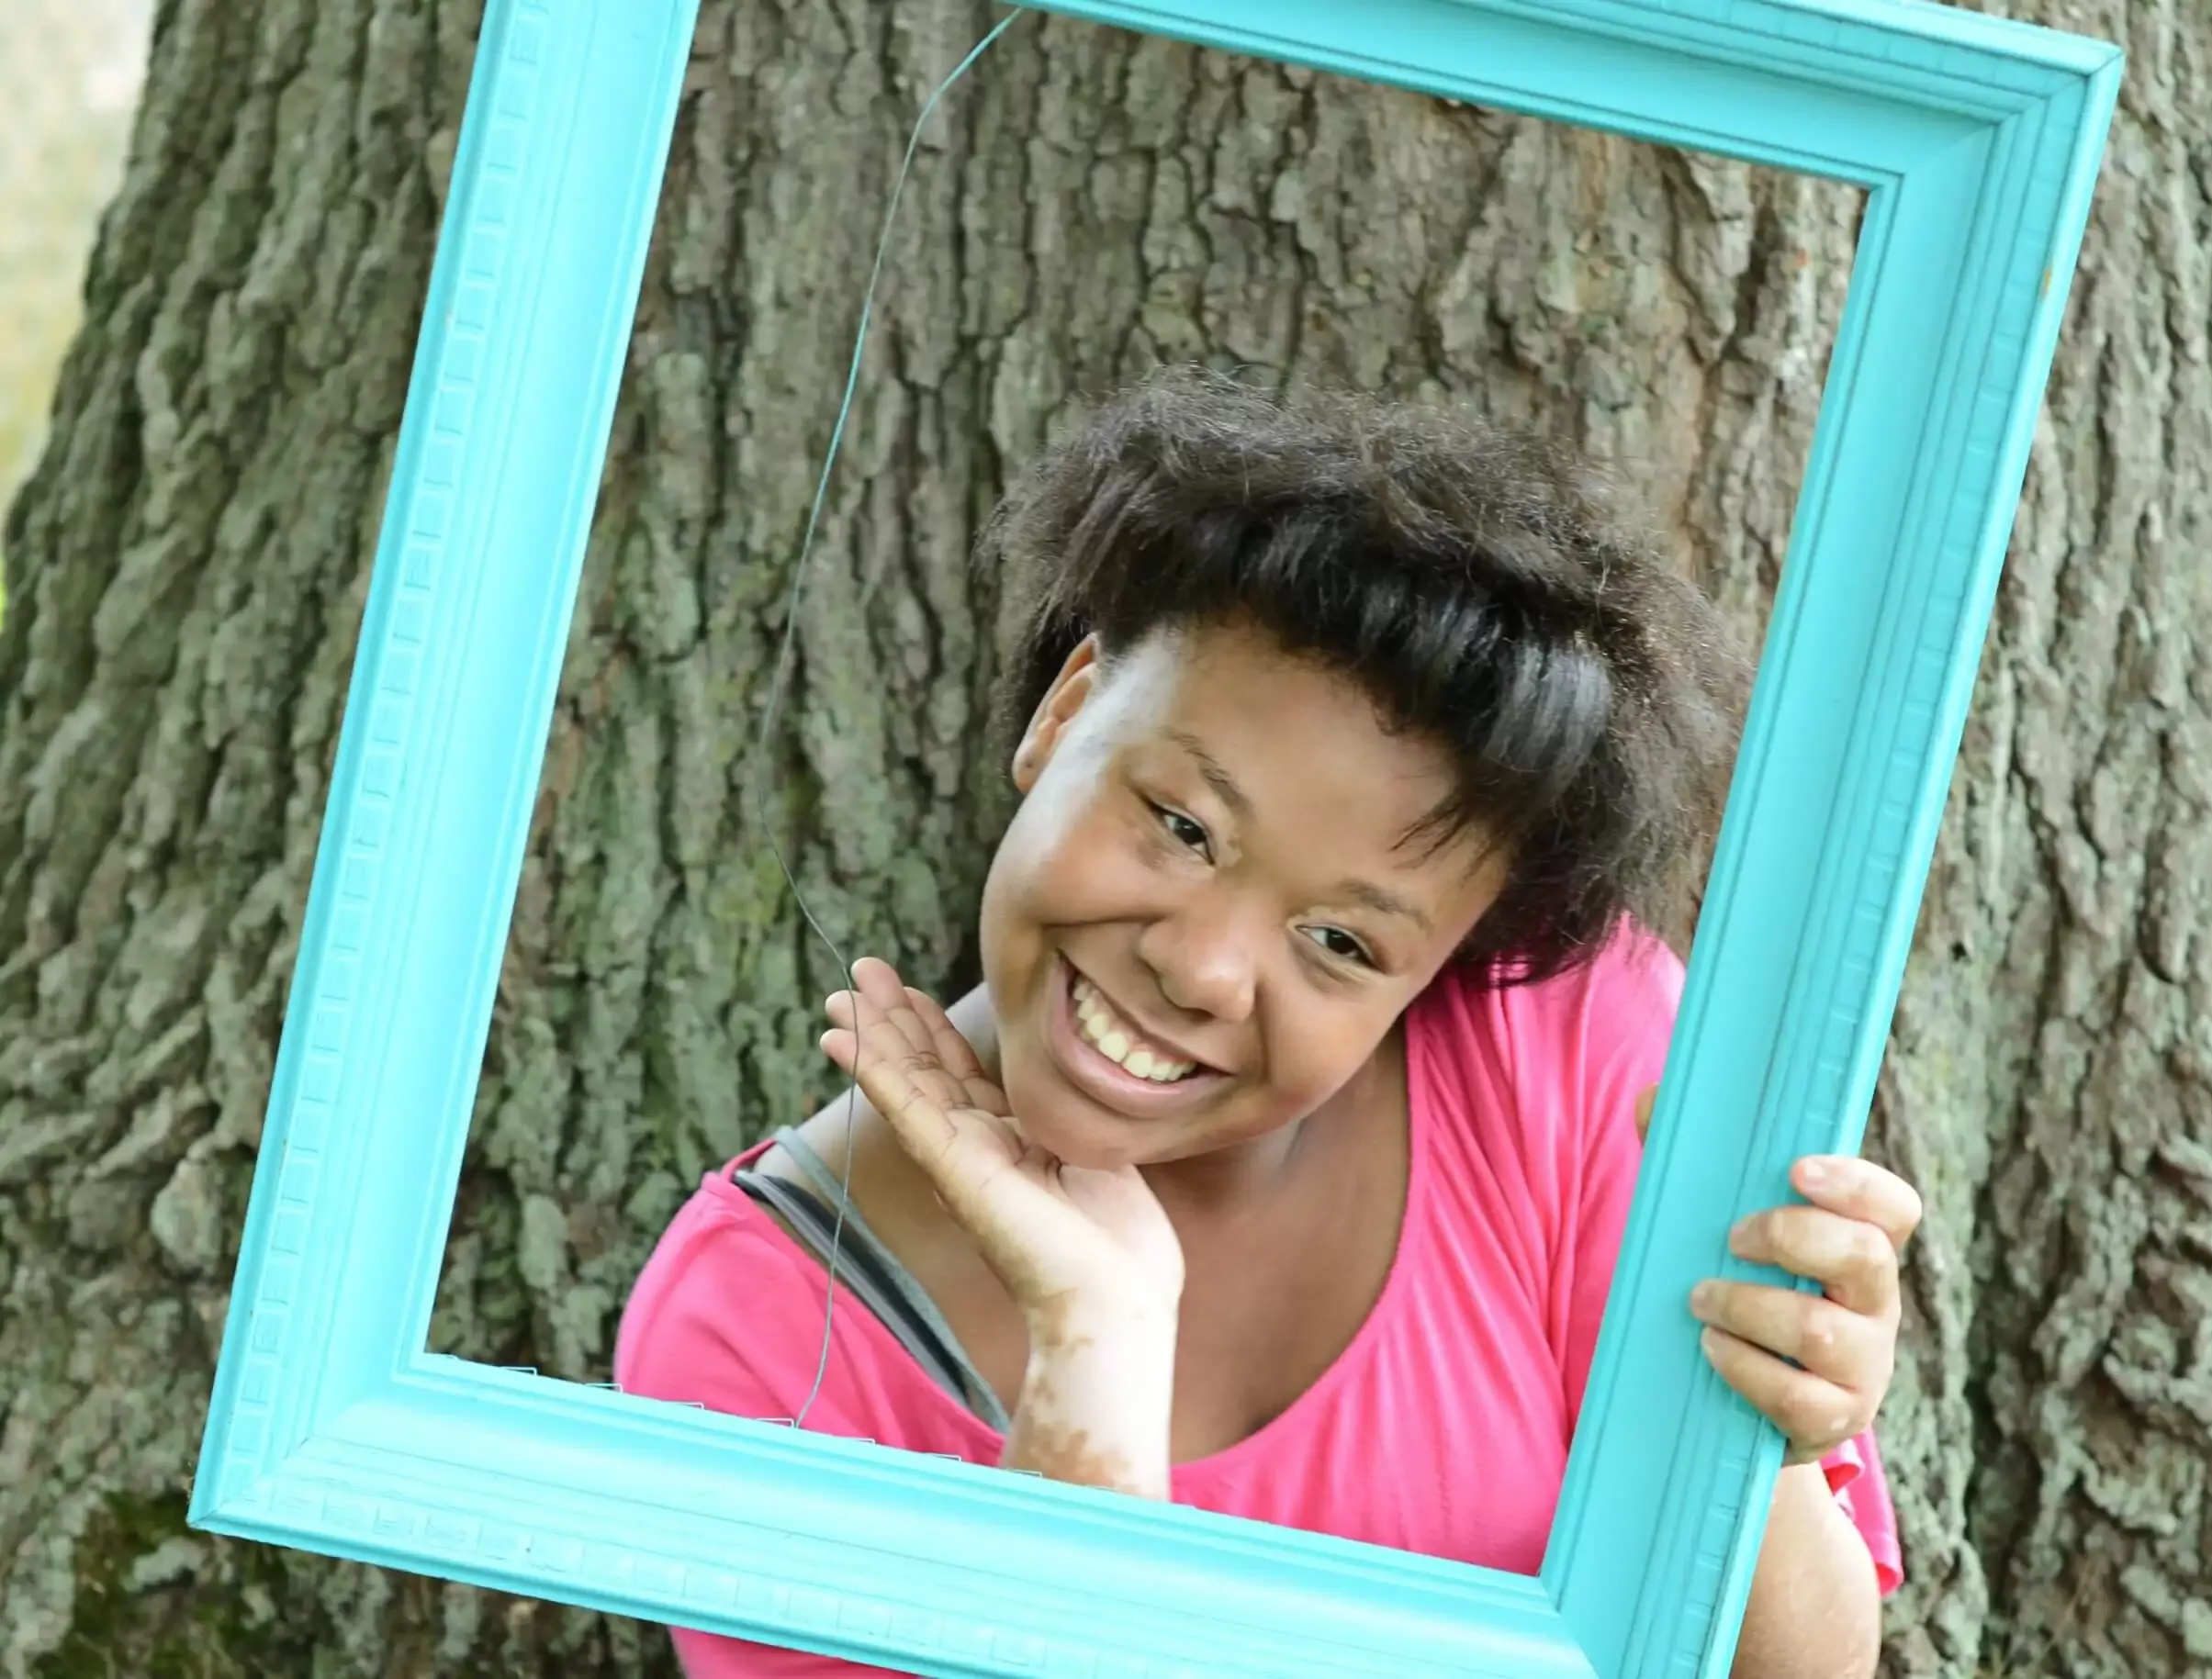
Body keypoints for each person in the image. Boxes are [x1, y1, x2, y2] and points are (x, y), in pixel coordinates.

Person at [614, 369, 1918, 1677]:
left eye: (1343, 943)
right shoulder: (759, 1327)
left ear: (1440, 966)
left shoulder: (1566, 1048)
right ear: (1066, 713)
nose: (1204, 971)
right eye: (1183, 827)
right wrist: (1095, 1353)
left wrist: (1764, 1434)